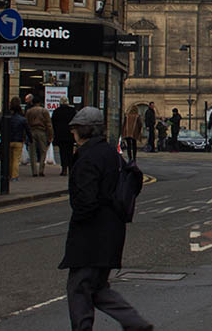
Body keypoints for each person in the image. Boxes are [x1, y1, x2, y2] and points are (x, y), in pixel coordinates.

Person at [58, 107, 152, 331]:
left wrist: (79, 219)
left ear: (83, 131)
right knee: (98, 288)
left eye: (74, 130)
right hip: (112, 231)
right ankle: (135, 323)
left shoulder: (87, 158)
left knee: (79, 288)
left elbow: (85, 202)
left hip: (91, 237)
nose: (72, 134)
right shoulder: (112, 153)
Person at [25, 94, 54, 177]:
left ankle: (34, 171)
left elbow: (26, 123)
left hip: (31, 131)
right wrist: (50, 135)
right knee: (43, 151)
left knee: (32, 152)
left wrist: (25, 134)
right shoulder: (44, 111)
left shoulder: (29, 111)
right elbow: (48, 124)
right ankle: (41, 169)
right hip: (42, 131)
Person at [6, 97, 31, 181]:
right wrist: (30, 139)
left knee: (9, 159)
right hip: (18, 140)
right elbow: (28, 130)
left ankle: (9, 174)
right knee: (16, 160)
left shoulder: (7, 117)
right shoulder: (22, 119)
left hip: (8, 140)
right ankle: (14, 176)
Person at [52, 97, 77, 176]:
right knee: (70, 152)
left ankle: (64, 169)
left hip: (60, 135)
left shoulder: (56, 111)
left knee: (62, 152)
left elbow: (53, 123)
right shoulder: (72, 111)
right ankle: (71, 168)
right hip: (70, 134)